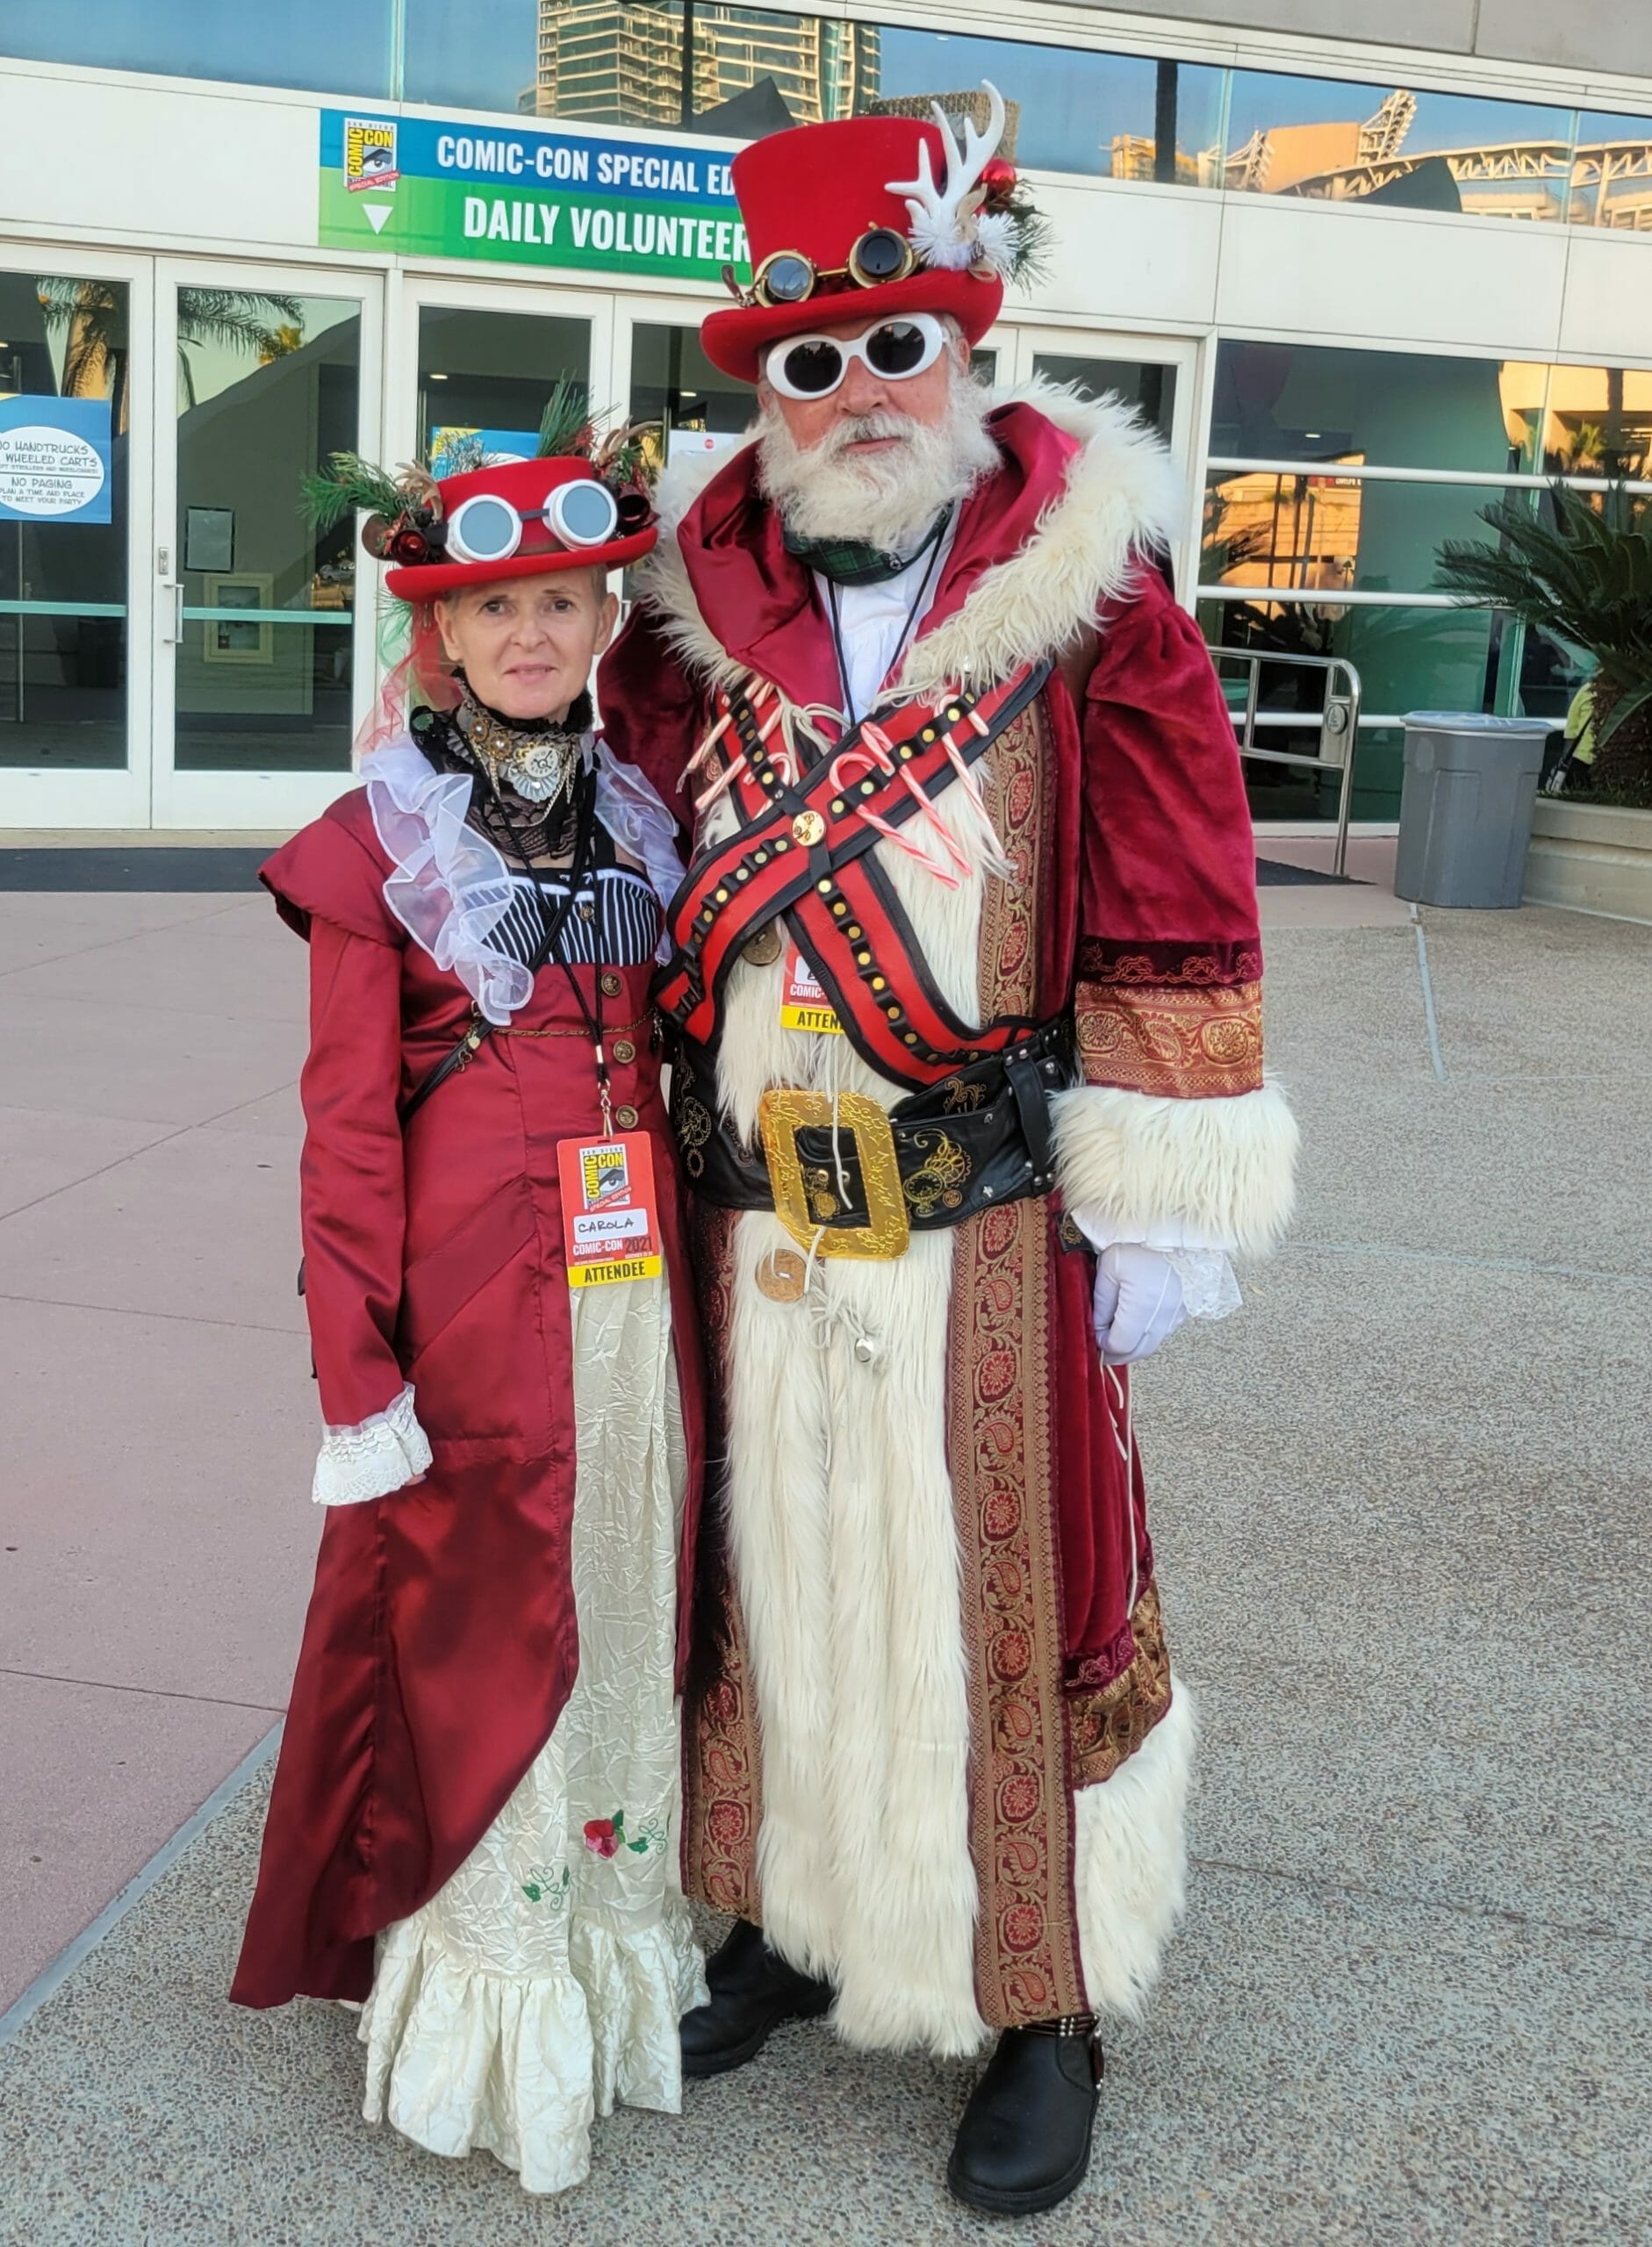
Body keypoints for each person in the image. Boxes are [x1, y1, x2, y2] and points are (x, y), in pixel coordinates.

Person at [600, 89, 1299, 2215]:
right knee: (763, 1570)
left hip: (983, 1203)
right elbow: (605, 856)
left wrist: (1161, 1179)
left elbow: (1176, 879)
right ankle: (783, 1918)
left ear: (969, 347)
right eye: (810, 361)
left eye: (894, 346)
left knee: (1011, 1587)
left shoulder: (1091, 593)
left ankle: (1041, 1994)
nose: (857, 394)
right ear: (767, 393)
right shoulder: (686, 605)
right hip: (747, 1209)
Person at [231, 412, 707, 2196]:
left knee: (621, 1600)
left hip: (630, 1298)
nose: (528, 632)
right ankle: (490, 1988)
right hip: (472, 1308)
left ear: (603, 623)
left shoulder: (642, 815)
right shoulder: (377, 842)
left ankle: (611, 1940)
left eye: (561, 602)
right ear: (437, 629)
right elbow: (345, 1136)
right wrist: (357, 1378)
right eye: (493, 605)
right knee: (481, 1628)